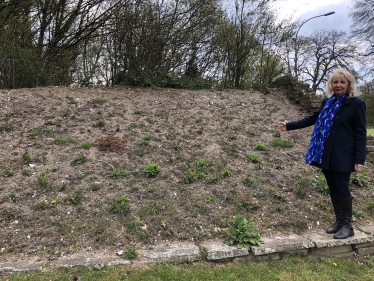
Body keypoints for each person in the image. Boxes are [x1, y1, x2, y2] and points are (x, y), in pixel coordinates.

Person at [277, 68, 366, 239]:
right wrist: (289, 125)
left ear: (348, 84)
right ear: (331, 85)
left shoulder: (356, 104)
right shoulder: (327, 103)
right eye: (335, 82)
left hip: (344, 155)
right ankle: (339, 221)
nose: (338, 85)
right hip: (326, 153)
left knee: (342, 188)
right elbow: (312, 118)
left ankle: (348, 225)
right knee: (333, 188)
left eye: (342, 82)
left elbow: (360, 134)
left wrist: (359, 159)